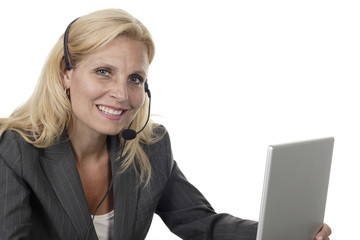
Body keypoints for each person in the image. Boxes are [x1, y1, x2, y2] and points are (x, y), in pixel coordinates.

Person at [0, 8, 331, 240]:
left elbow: (202, 223)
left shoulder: (149, 147)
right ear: (66, 73)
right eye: (104, 72)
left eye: (135, 79)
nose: (121, 93)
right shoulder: (15, 151)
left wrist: (279, 234)